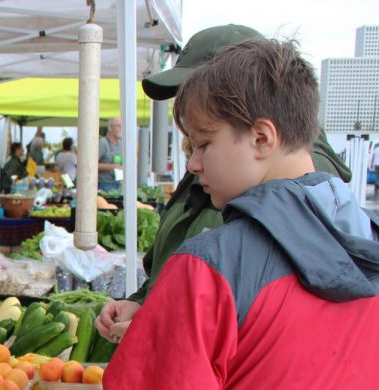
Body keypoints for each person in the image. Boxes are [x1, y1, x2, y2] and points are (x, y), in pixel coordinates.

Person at [94, 38, 379, 390]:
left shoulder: (209, 267)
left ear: (262, 138)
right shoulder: (366, 251)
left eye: (202, 144)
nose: (192, 163)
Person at [95, 24, 352, 343]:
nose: (185, 108)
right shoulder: (220, 166)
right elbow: (173, 271)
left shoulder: (301, 192)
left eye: (194, 91)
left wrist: (164, 333)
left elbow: (264, 329)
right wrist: (144, 305)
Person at [97, 118, 122, 192]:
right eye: (118, 126)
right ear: (110, 127)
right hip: (105, 184)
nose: (121, 129)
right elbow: (91, 165)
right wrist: (112, 167)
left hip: (119, 183)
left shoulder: (121, 144)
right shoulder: (103, 143)